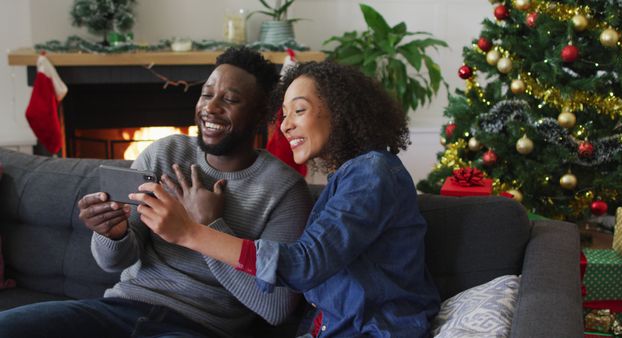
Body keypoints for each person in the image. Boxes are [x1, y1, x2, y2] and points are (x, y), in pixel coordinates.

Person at [0, 47, 313, 338]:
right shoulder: (165, 153)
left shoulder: (284, 190)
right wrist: (113, 233)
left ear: (262, 115)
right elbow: (113, 262)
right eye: (206, 94)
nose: (210, 108)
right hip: (119, 309)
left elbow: (276, 308)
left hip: (198, 327)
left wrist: (209, 227)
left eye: (230, 100)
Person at [129, 61, 441, 337]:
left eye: (300, 110)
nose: (285, 124)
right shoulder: (345, 182)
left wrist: (192, 232)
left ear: (341, 111)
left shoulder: (373, 174)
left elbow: (304, 263)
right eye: (284, 114)